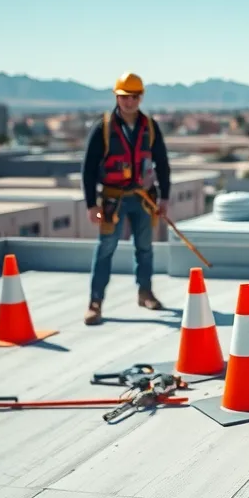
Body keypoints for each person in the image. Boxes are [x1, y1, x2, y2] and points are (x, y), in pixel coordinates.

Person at [80, 72, 172, 325]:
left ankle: (146, 293)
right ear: (117, 97)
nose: (128, 102)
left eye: (133, 97)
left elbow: (162, 163)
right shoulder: (104, 128)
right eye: (123, 97)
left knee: (145, 248)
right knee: (106, 249)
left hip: (143, 199)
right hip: (113, 199)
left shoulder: (150, 127)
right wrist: (91, 204)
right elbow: (88, 168)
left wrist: (164, 198)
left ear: (140, 97)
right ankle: (95, 302)